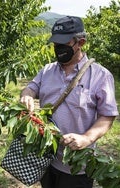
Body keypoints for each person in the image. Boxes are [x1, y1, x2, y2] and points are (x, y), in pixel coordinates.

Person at [20, 16, 119, 188]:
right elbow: (31, 87)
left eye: (63, 44)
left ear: (80, 42)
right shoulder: (47, 70)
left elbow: (107, 116)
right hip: (45, 158)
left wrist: (86, 138)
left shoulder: (100, 76)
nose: (58, 49)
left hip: (76, 166)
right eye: (55, 44)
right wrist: (26, 95)